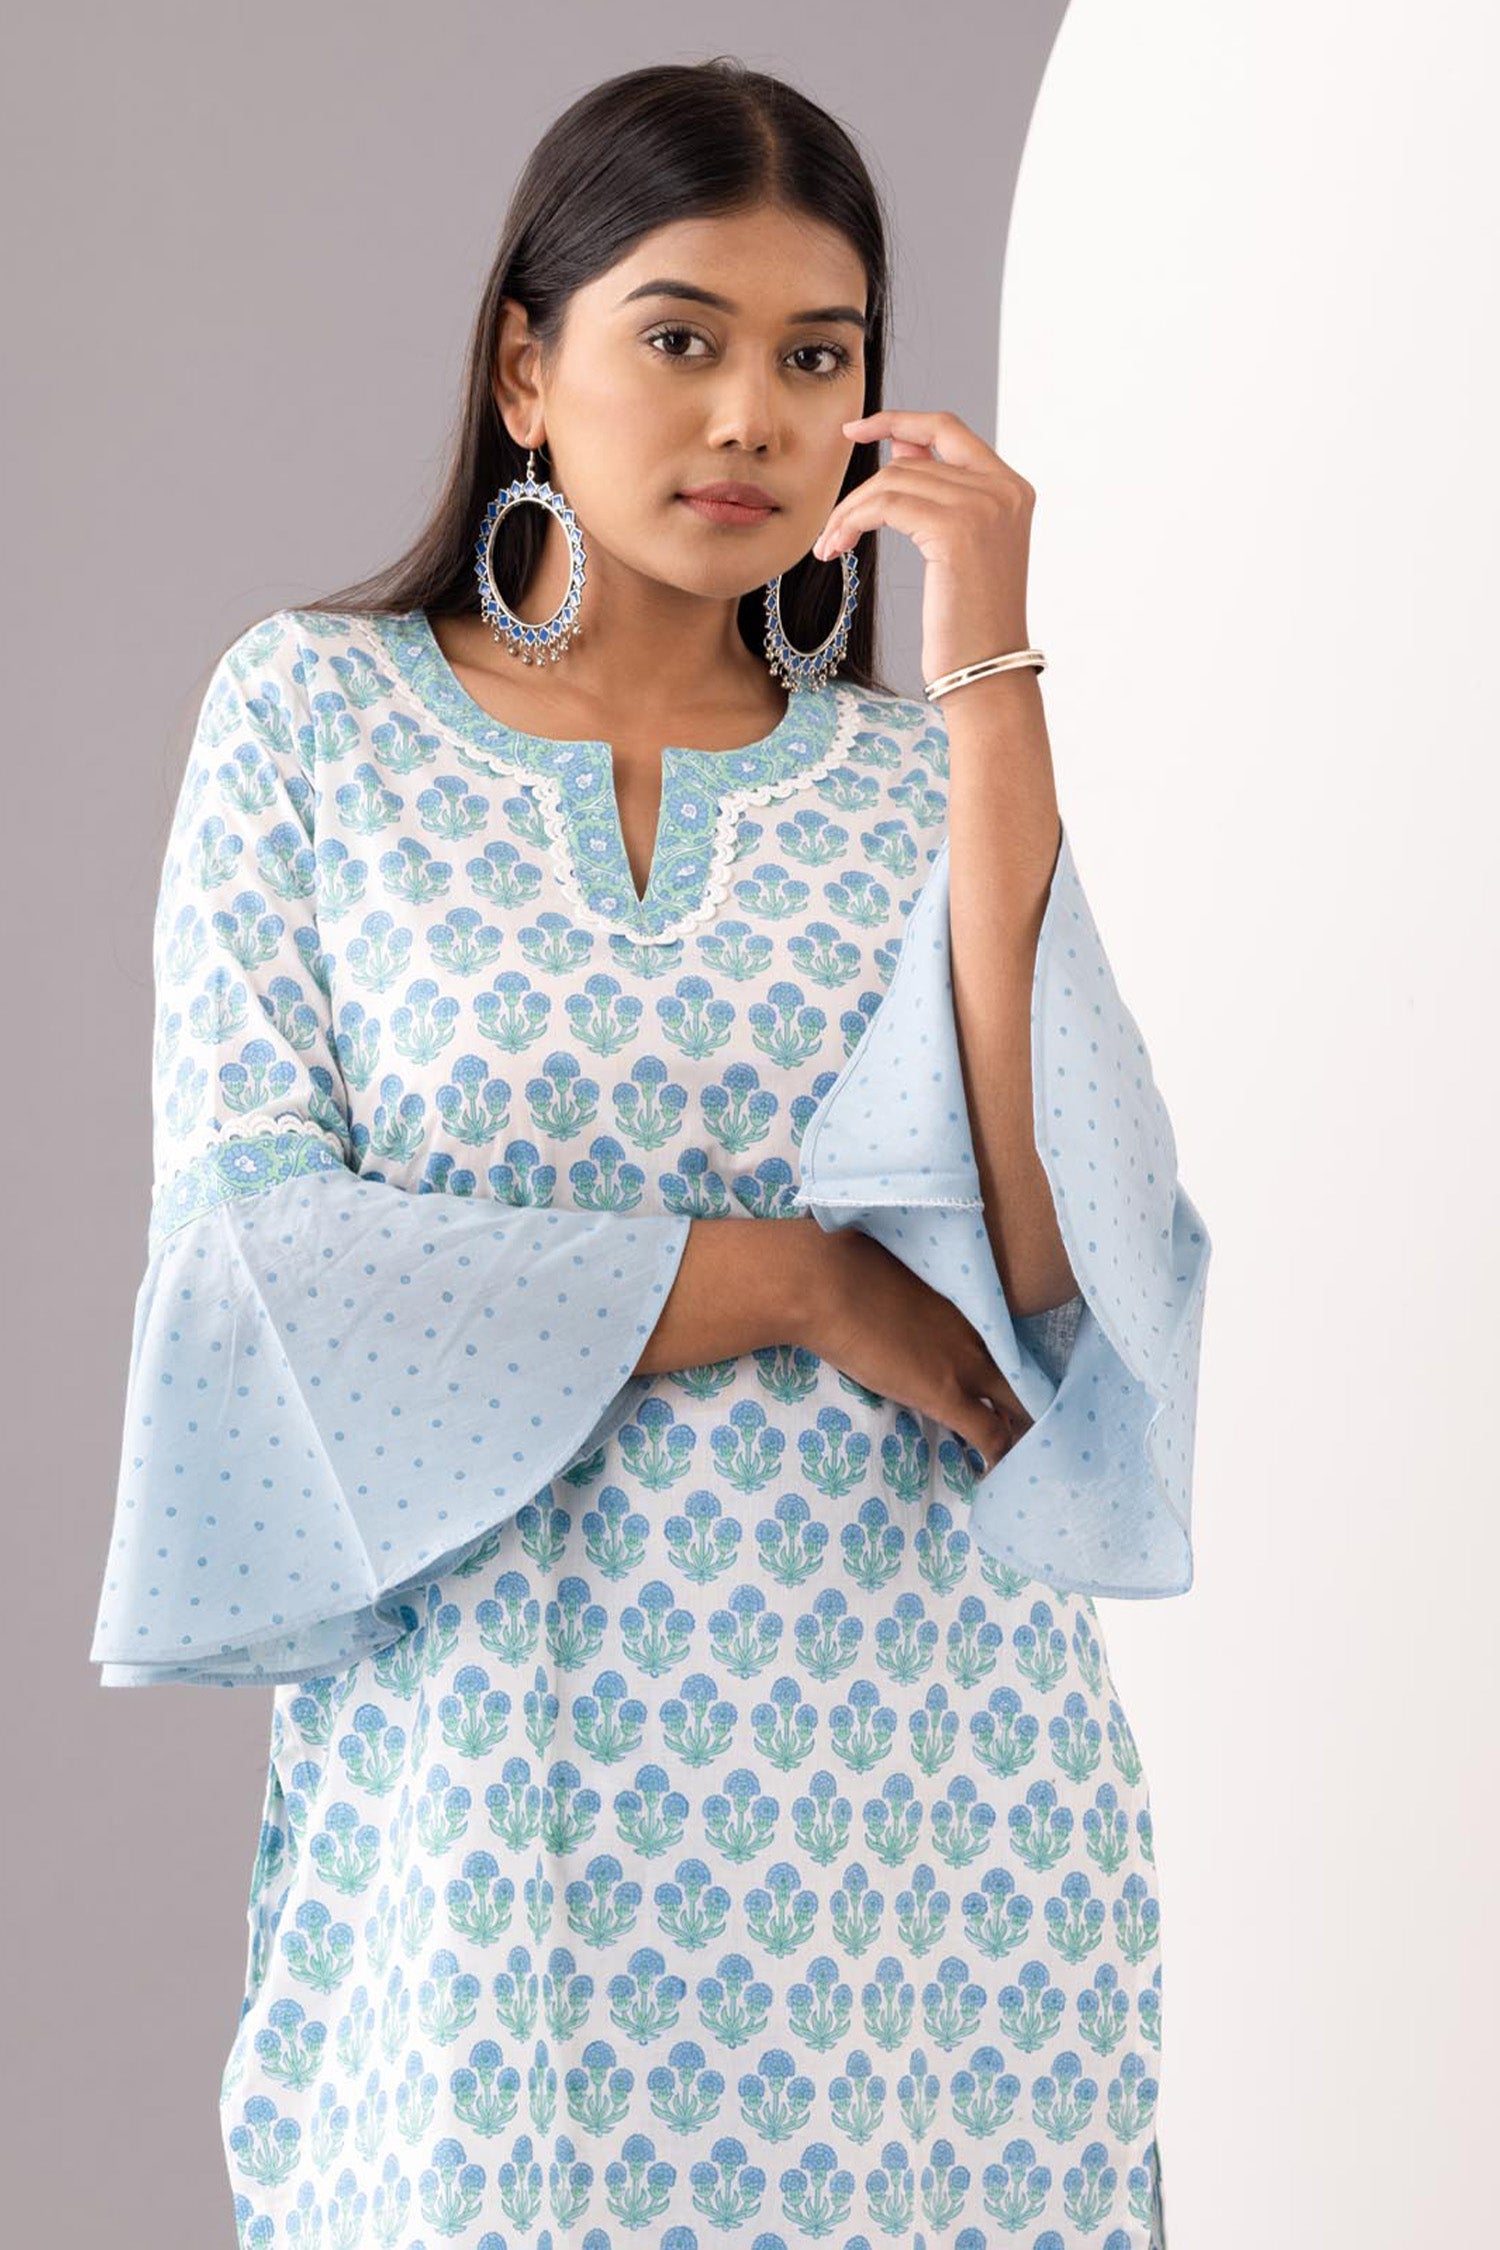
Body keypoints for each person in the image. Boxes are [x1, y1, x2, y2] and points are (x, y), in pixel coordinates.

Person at [89, 57, 1209, 2250]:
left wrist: (990, 670)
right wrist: (788, 1276)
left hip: (920, 1819)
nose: (750, 418)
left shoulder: (914, 782)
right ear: (527, 368)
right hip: (491, 1804)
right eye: (682, 338)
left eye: (818, 359)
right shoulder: (314, 722)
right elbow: (254, 1268)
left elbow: (1049, 1256)